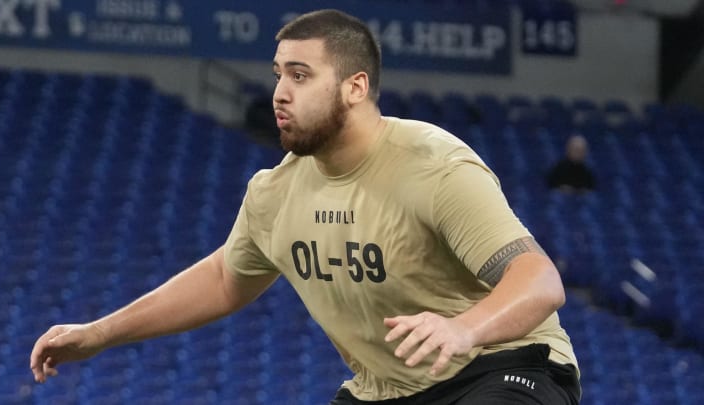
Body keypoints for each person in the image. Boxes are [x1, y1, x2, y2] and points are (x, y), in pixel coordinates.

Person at [30, 9, 581, 405]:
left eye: (300, 75)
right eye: (277, 75)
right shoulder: (276, 192)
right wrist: (99, 333)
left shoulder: (434, 166)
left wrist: (465, 329)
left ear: (355, 87)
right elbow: (226, 278)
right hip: (382, 393)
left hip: (502, 371)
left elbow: (538, 280)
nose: (279, 93)